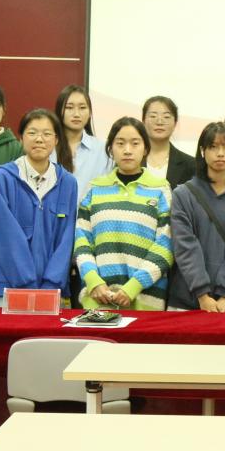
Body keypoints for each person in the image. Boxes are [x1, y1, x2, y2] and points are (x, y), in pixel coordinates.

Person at [74, 117, 173, 311]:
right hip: (98, 301)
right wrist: (94, 281)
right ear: (111, 148)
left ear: (145, 149)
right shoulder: (94, 189)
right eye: (120, 143)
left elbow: (166, 245)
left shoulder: (160, 189)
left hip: (146, 302)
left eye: (135, 143)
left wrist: (133, 286)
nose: (127, 150)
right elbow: (82, 240)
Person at [0, 109, 78, 307]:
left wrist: (51, 284)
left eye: (47, 134)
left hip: (53, 290)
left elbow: (67, 238)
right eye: (32, 133)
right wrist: (27, 283)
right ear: (21, 138)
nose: (39, 139)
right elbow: (3, 235)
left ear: (56, 140)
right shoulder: (4, 178)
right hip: (8, 287)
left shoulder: (68, 183)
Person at [169, 122, 225, 312]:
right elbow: (185, 246)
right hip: (187, 298)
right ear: (203, 151)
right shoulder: (183, 195)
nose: (220, 153)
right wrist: (202, 294)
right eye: (213, 147)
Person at [54, 84, 113, 202]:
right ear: (59, 111)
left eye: (82, 108)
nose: (76, 114)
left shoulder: (104, 150)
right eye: (69, 107)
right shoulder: (48, 147)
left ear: (90, 112)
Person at [142, 95, 195, 189]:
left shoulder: (191, 164)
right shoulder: (131, 160)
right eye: (153, 116)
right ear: (143, 121)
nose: (159, 122)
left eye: (166, 117)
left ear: (175, 123)